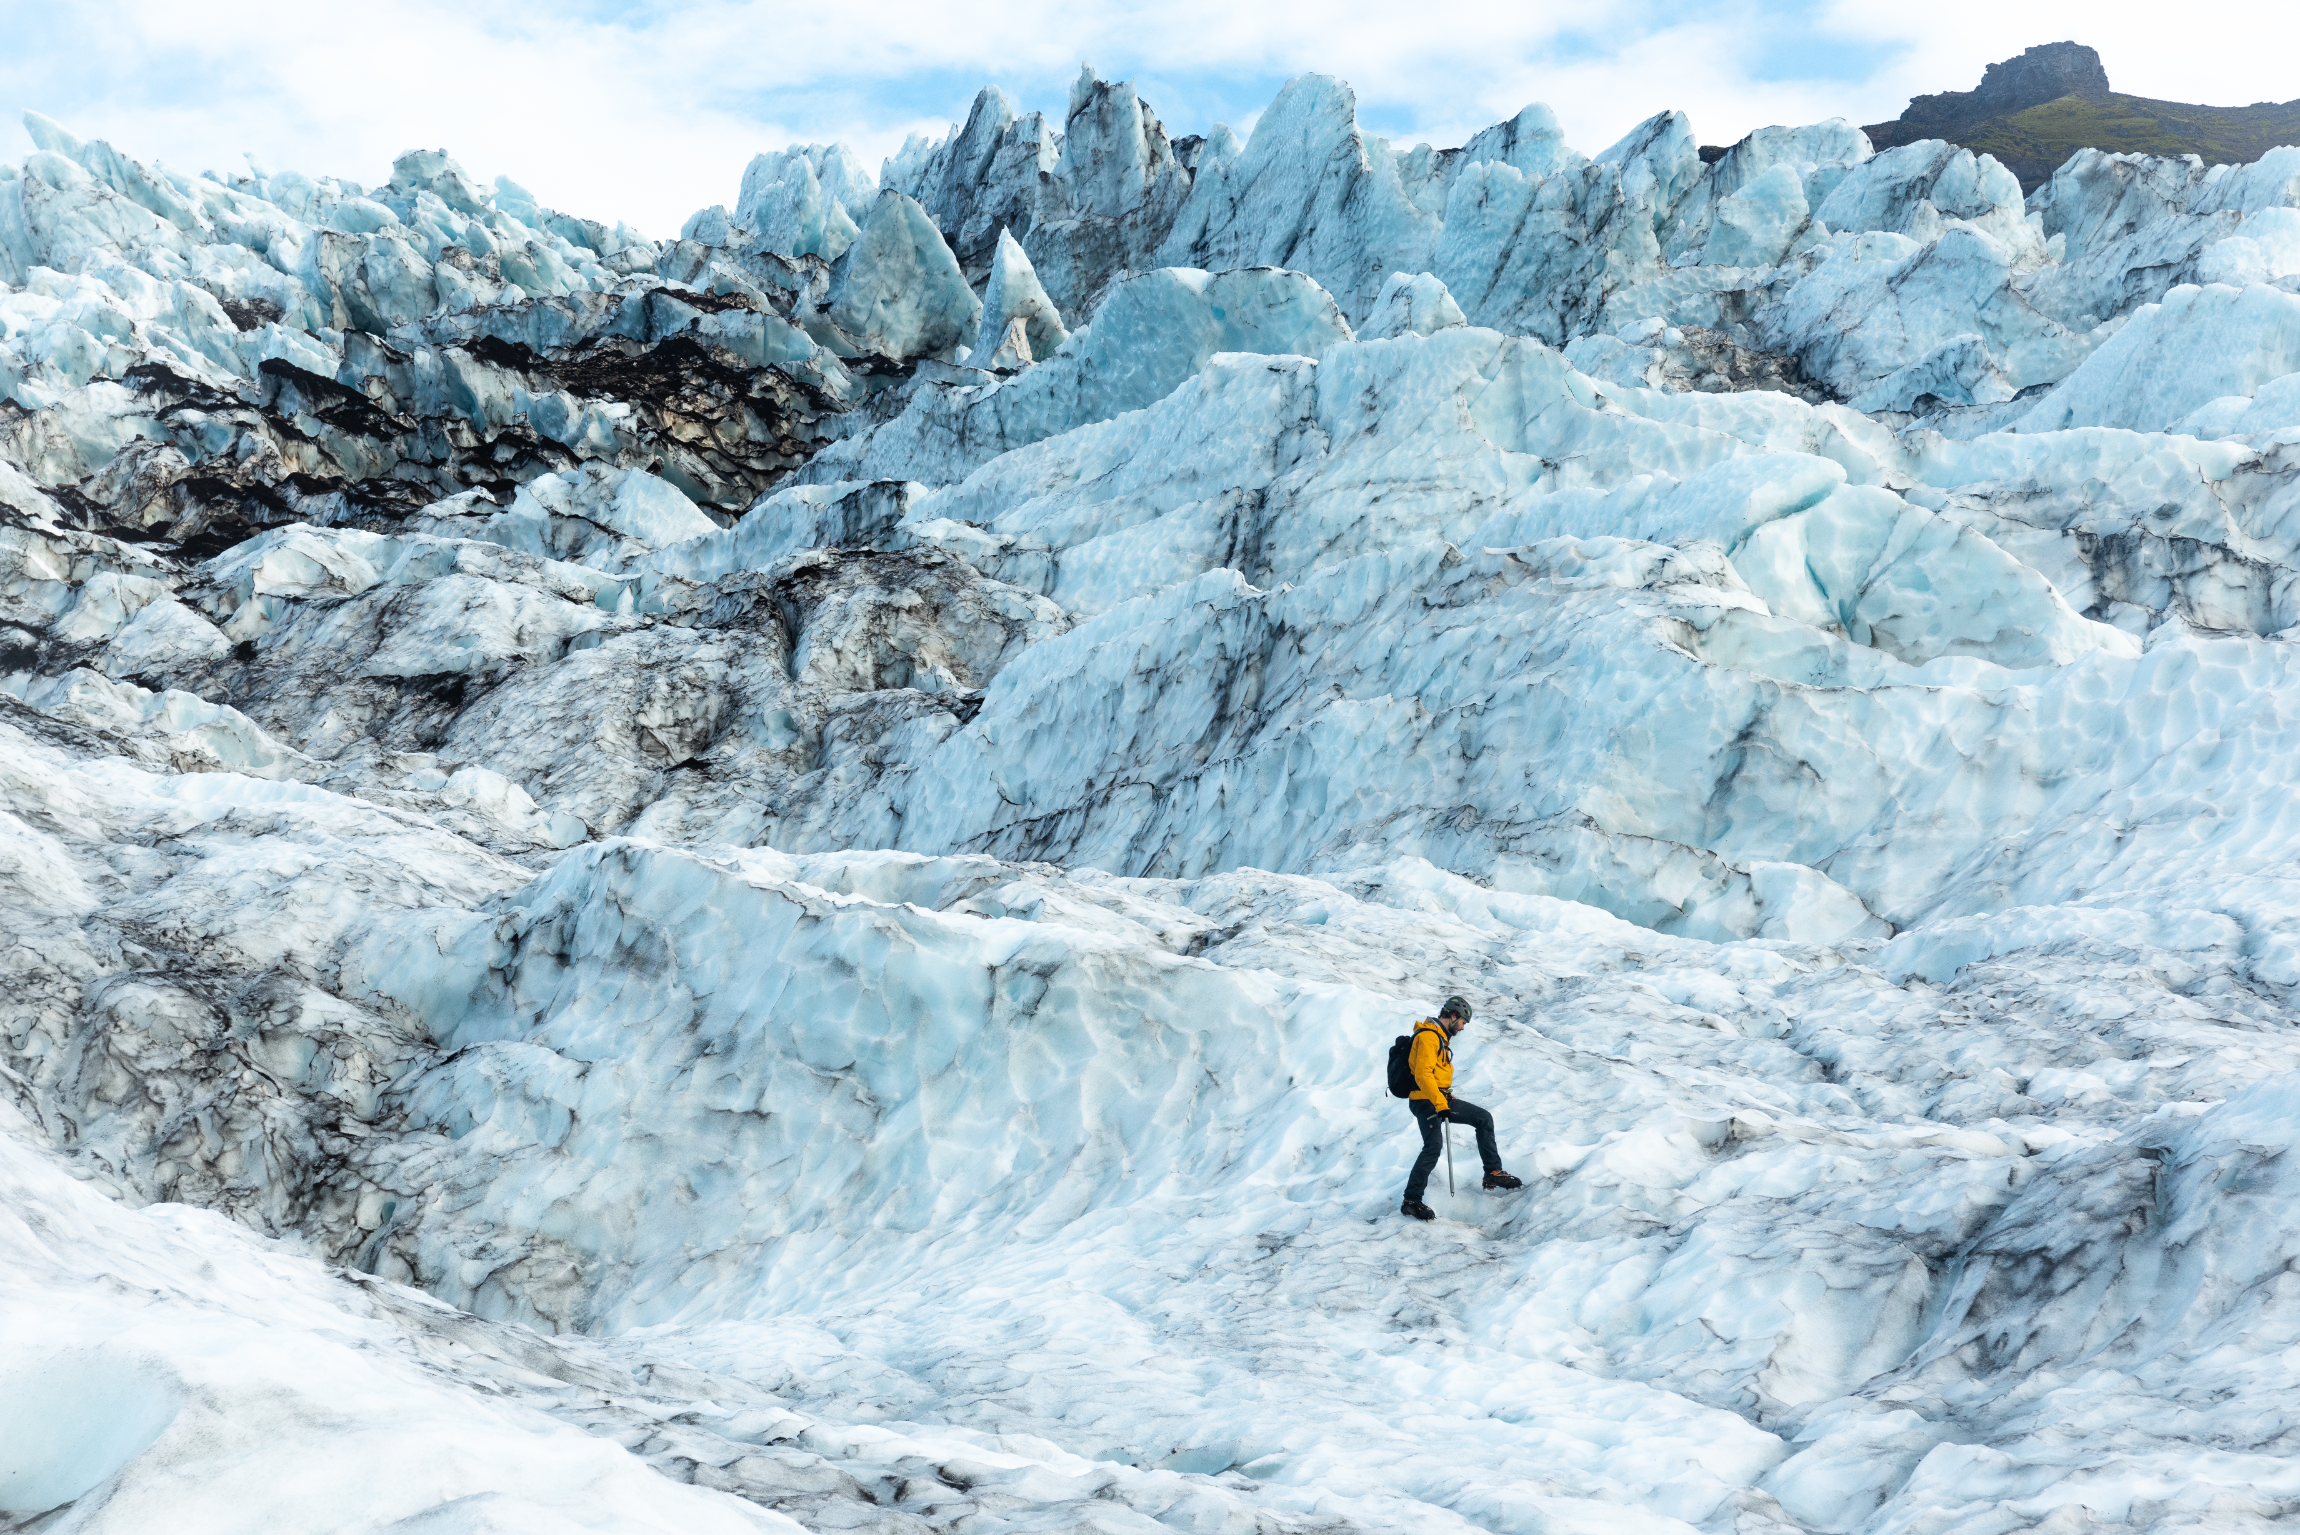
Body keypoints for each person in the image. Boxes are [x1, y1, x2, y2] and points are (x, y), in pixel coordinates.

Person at [1401, 995, 1522, 1220]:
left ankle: (1492, 1174)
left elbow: (1434, 1075)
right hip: (1424, 1100)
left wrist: (1444, 1098)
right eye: (1464, 1022)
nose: (1463, 1027)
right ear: (1454, 1015)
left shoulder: (1440, 1038)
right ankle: (1411, 1200)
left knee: (1483, 1118)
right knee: (1433, 1147)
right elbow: (1422, 1074)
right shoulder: (1428, 1037)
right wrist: (1439, 1103)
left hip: (1439, 1098)